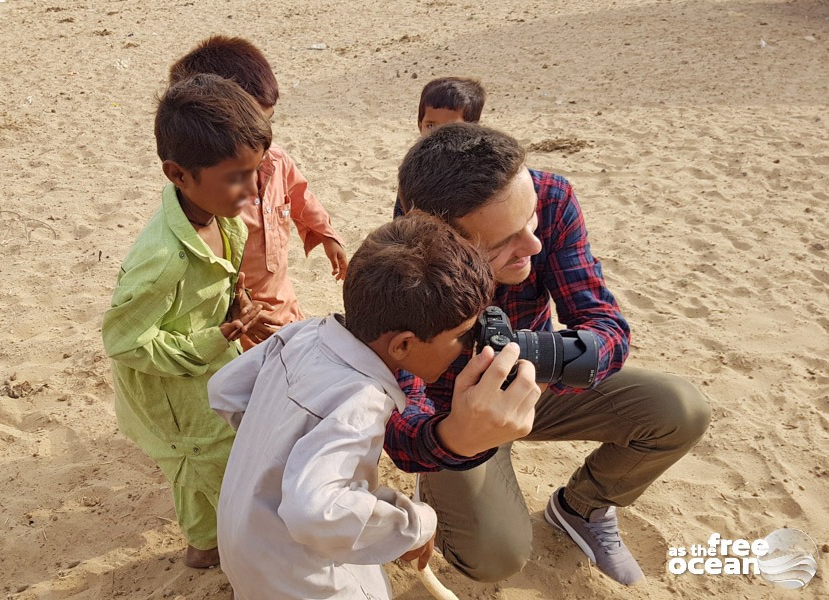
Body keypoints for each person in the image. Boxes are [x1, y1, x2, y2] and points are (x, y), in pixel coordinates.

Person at [385, 123, 712, 586]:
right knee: (494, 557)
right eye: (504, 243)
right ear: (445, 245)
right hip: (458, 412)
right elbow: (400, 424)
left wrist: (536, 360)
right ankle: (446, 486)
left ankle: (581, 508)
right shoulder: (400, 265)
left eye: (530, 219)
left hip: (542, 380)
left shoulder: (551, 198)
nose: (534, 246)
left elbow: (607, 327)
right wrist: (452, 437)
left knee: (679, 410)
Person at [207, 212, 538, 599]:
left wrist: (275, 451)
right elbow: (314, 512)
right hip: (298, 579)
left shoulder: (302, 334)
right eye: (464, 337)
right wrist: (414, 525)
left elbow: (224, 390)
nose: (472, 348)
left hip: (242, 538)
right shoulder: (360, 401)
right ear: (402, 346)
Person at [102, 74, 274, 569]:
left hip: (207, 370)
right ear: (179, 174)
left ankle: (210, 540)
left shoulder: (223, 219)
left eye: (256, 171)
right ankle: (207, 548)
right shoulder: (162, 260)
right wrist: (212, 338)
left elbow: (221, 288)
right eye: (237, 176)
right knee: (206, 463)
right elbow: (124, 341)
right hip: (172, 393)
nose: (253, 187)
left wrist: (236, 313)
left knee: (214, 462)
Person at [169, 36, 347, 349]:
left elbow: (301, 195)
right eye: (249, 128)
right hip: (240, 319)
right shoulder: (209, 196)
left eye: (267, 122)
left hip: (282, 300)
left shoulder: (277, 159)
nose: (264, 139)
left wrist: (327, 235)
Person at [393, 76, 486, 218]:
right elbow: (401, 221)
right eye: (431, 125)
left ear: (472, 129)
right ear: (420, 125)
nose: (439, 134)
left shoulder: (484, 172)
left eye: (451, 126)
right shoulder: (413, 172)